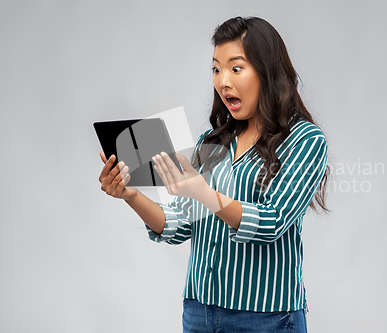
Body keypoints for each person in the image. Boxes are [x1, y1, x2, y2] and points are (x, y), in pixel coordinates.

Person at [98, 16, 330, 333]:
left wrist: (203, 192)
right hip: (199, 313)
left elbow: (272, 221)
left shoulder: (305, 141)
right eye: (216, 69)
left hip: (264, 318)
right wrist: (131, 195)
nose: (223, 81)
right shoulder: (213, 142)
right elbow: (178, 224)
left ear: (267, 72)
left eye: (236, 68)